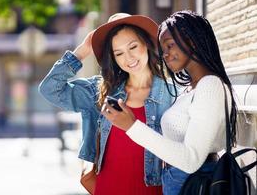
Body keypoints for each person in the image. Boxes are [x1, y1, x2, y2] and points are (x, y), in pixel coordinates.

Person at [101, 10, 238, 195]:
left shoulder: (210, 85)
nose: (165, 54)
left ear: (192, 42)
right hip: (178, 181)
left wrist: (132, 126)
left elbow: (191, 160)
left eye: (170, 45)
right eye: (163, 49)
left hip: (194, 183)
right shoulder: (191, 88)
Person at [39, 13, 174, 194]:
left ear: (147, 45)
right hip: (108, 187)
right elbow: (50, 89)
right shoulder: (100, 91)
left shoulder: (173, 93)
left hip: (153, 190)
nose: (129, 58)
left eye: (133, 46)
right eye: (119, 53)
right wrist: (84, 49)